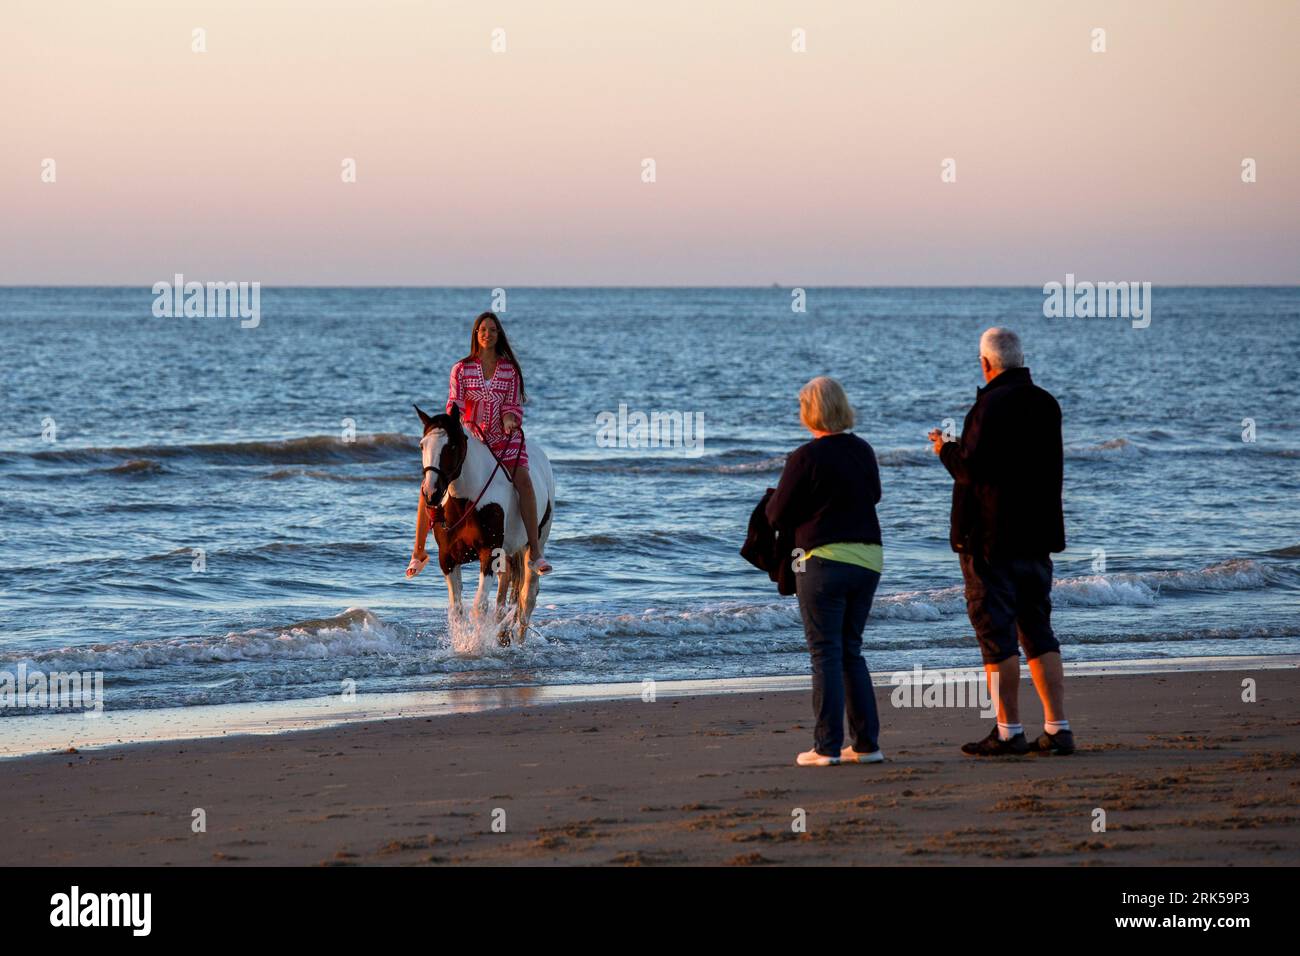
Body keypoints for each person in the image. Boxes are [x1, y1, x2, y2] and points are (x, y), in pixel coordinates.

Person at [928, 327, 1073, 756]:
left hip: (991, 541)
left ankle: (1008, 730)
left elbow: (972, 470)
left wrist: (945, 450)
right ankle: (1058, 727)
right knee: (1038, 631)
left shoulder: (987, 405)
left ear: (985, 363)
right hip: (1037, 537)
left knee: (997, 637)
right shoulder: (1047, 403)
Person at [766, 376, 885, 767]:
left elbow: (777, 514)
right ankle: (867, 744)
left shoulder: (804, 457)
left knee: (825, 653)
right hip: (868, 560)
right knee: (851, 650)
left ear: (808, 411)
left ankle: (827, 747)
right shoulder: (863, 450)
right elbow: (875, 495)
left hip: (823, 561)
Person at [407, 311, 552, 578]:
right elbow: (455, 403)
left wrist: (509, 420)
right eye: (483, 329)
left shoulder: (509, 371)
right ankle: (418, 551)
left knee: (524, 481)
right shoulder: (461, 369)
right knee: (431, 484)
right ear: (476, 334)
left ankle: (534, 548)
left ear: (499, 335)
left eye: (493, 330)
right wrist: (451, 421)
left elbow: (512, 406)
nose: (488, 333)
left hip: (503, 440)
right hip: (473, 440)